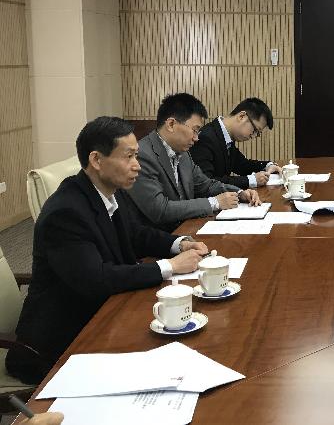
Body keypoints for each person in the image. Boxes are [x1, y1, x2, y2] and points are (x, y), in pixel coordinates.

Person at [6, 117, 209, 383]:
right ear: (97, 160)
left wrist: (178, 243)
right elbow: (97, 279)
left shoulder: (109, 190)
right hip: (61, 343)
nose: (137, 165)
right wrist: (170, 266)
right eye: (129, 157)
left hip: (103, 315)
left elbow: (135, 234)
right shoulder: (65, 212)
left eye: (136, 155)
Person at [126, 93, 261, 232]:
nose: (196, 138)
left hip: (186, 231)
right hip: (159, 241)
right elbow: (160, 209)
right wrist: (214, 202)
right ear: (171, 124)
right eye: (195, 130)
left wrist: (238, 193)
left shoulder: (183, 153)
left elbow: (206, 185)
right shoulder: (141, 155)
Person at [190, 97, 281, 189]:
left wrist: (268, 165)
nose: (253, 136)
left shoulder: (225, 136)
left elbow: (242, 165)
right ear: (242, 117)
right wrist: (250, 180)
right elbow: (207, 182)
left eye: (257, 134)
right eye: (255, 130)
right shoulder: (206, 137)